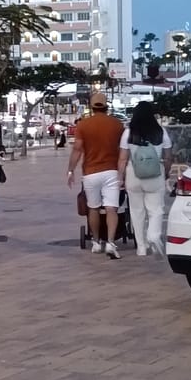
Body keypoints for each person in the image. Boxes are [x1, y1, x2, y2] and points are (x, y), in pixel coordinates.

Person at [67, 92, 124, 258]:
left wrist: (70, 170)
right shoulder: (117, 125)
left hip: (91, 172)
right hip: (112, 171)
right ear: (106, 106)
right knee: (111, 208)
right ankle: (111, 243)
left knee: (93, 207)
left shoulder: (83, 125)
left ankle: (96, 241)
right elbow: (123, 151)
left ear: (91, 107)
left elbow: (77, 150)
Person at [117, 101, 172, 256]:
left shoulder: (128, 133)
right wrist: (166, 173)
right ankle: (154, 236)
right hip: (155, 175)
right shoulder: (161, 132)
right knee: (156, 209)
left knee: (136, 211)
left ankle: (141, 247)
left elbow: (122, 159)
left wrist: (120, 178)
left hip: (133, 175)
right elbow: (168, 157)